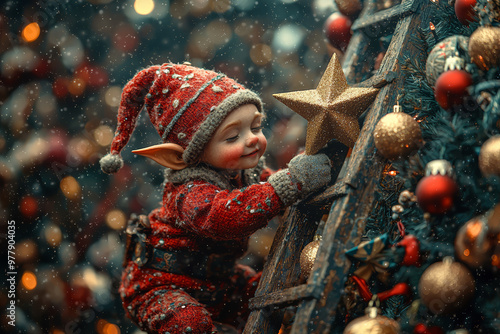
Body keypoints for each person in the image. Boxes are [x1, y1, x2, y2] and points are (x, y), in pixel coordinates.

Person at [100, 62, 332, 334]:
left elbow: (270, 187)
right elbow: (225, 216)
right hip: (159, 285)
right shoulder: (187, 191)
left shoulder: (243, 172)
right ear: (184, 154)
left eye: (256, 128)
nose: (252, 140)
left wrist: (305, 185)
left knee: (273, 288)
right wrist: (290, 183)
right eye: (233, 136)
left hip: (217, 282)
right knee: (191, 325)